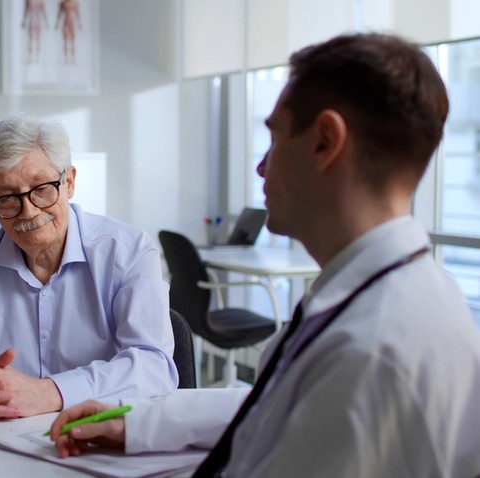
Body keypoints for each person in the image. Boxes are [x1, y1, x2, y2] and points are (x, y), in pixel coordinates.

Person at [49, 33, 480, 477]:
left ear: (325, 142)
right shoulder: (381, 298)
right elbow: (278, 401)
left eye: (273, 139)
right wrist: (140, 422)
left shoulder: (376, 350)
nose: (260, 166)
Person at [0, 113, 177, 420]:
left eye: (42, 189)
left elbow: (154, 367)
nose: (28, 211)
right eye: (7, 198)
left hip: (99, 432)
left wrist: (47, 393)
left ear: (68, 182)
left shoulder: (129, 251)